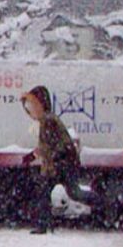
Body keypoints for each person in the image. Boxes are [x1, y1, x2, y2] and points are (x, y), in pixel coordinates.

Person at [20, 85, 101, 233]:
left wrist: (50, 158)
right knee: (72, 192)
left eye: (32, 105)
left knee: (47, 191)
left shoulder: (48, 120)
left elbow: (54, 146)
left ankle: (43, 224)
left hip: (60, 164)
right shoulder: (47, 119)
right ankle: (101, 205)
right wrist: (34, 155)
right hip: (63, 163)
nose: (29, 110)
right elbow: (48, 145)